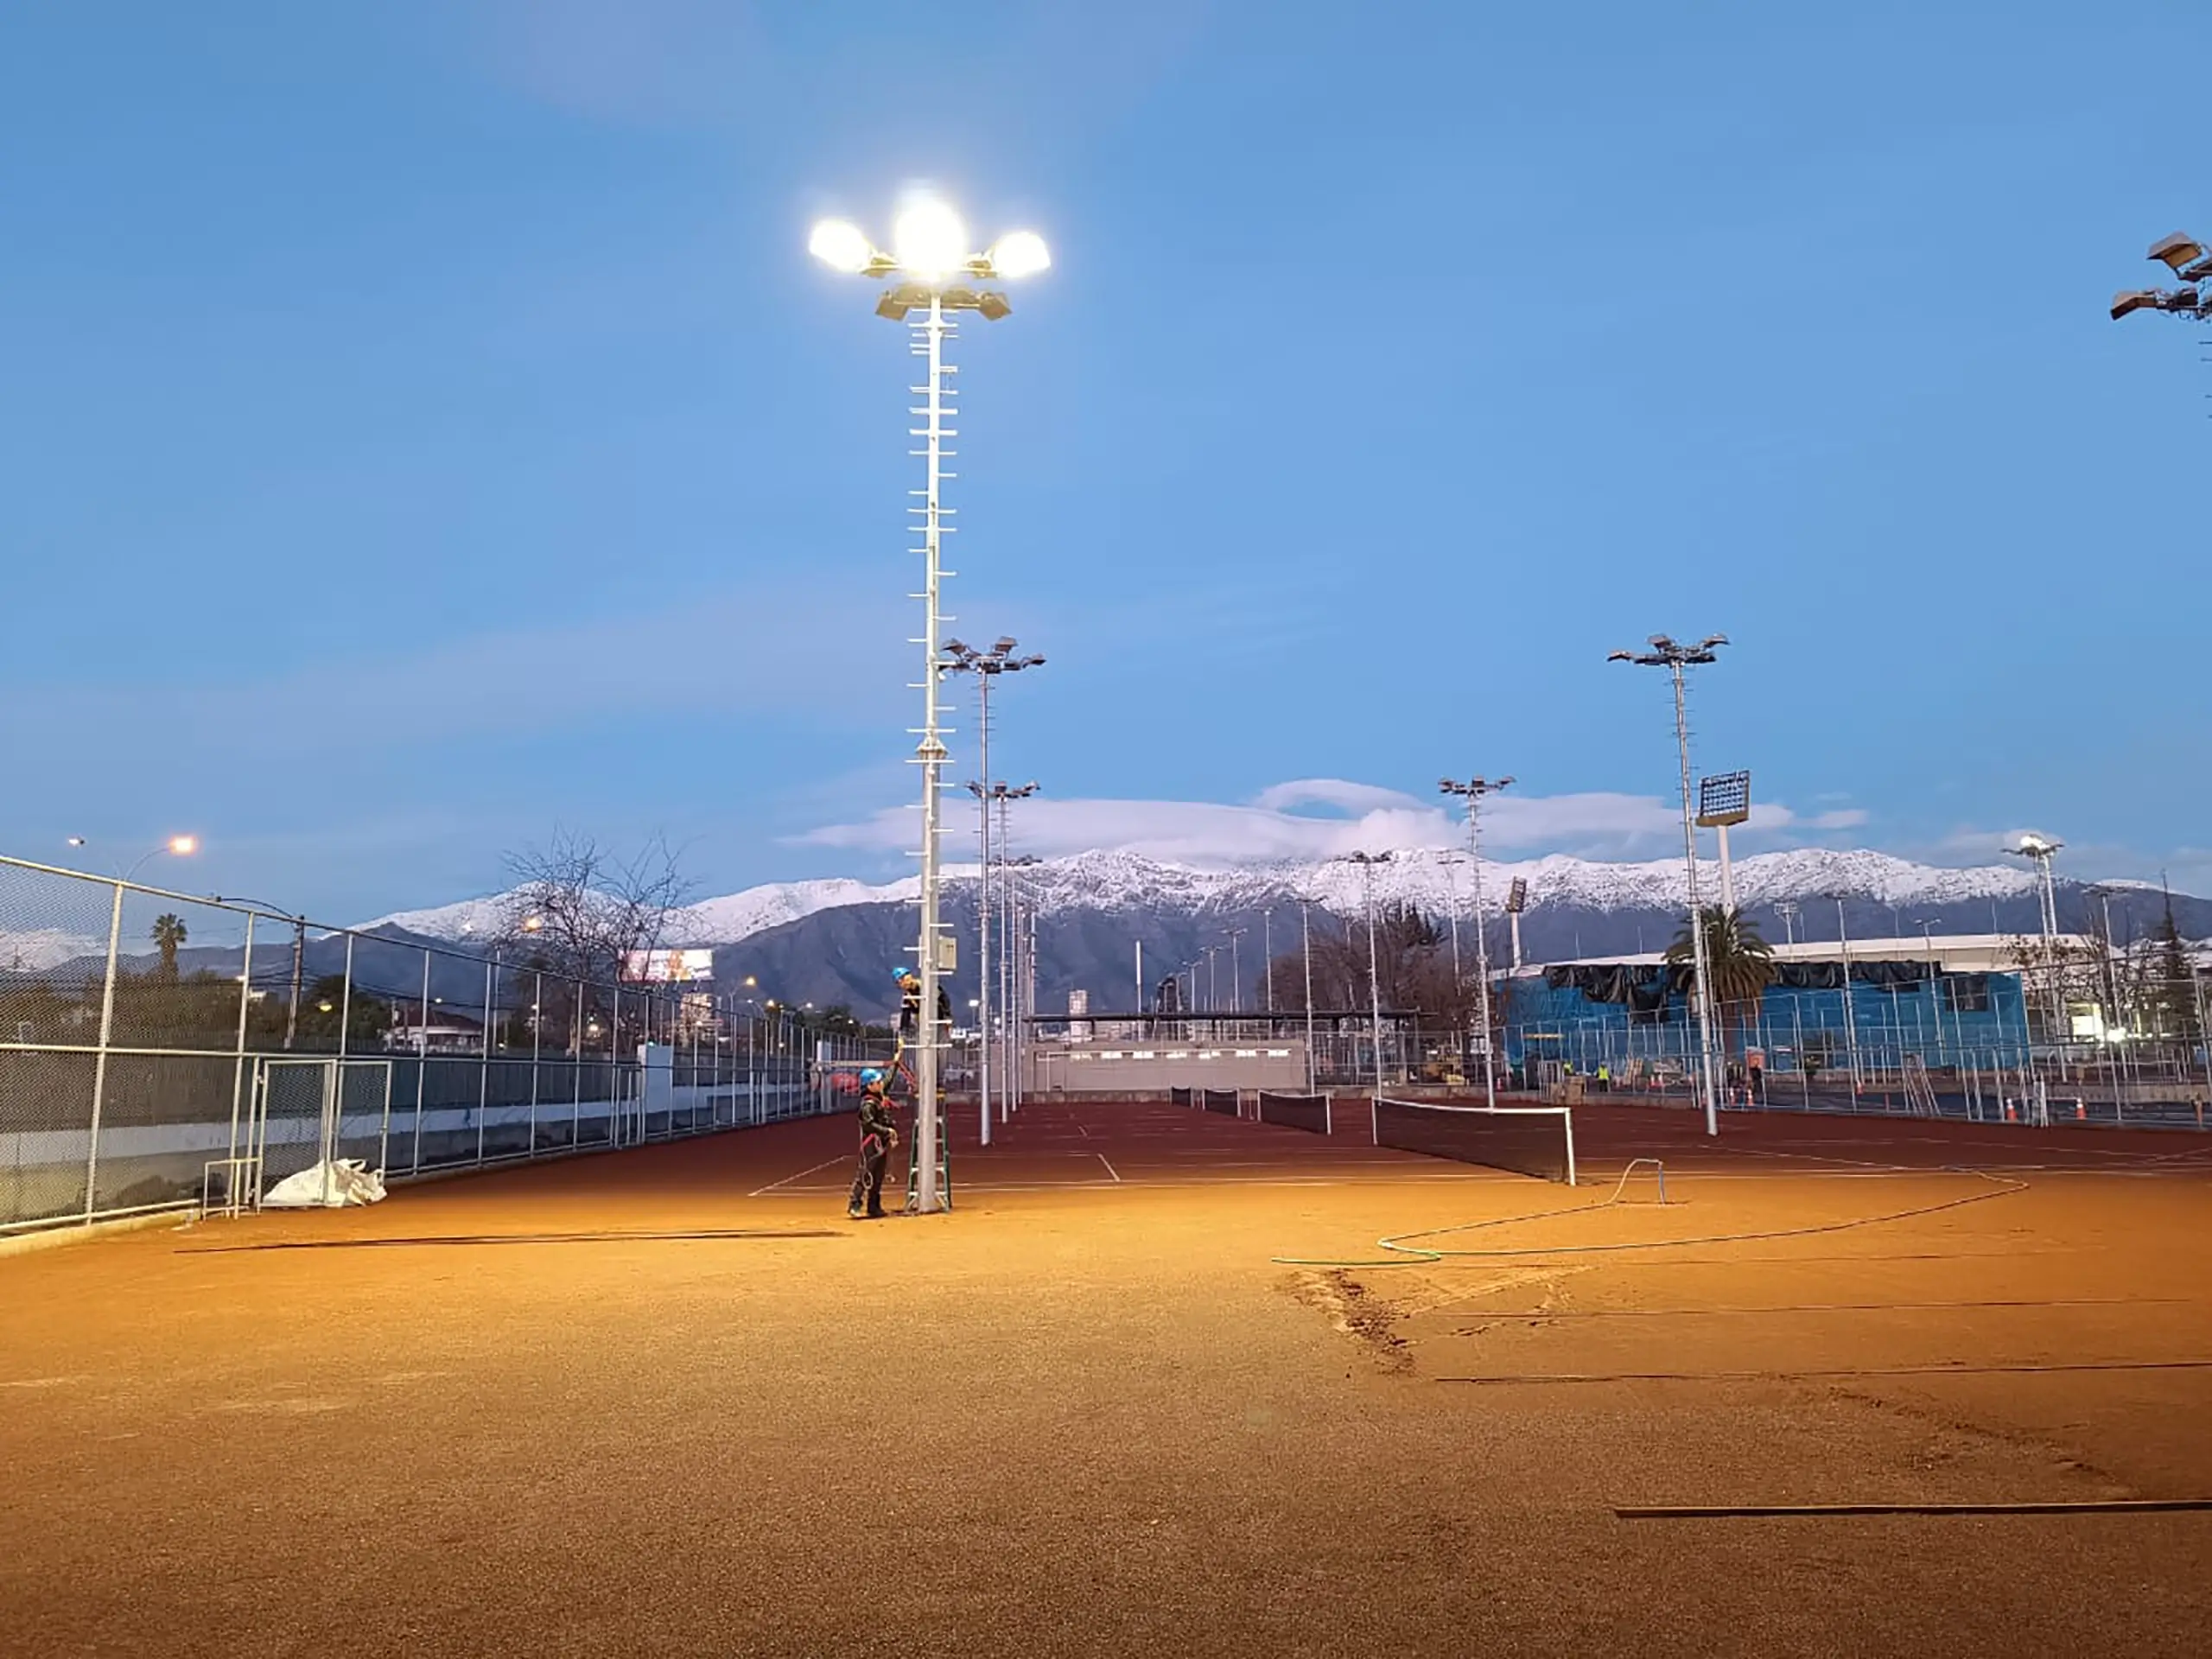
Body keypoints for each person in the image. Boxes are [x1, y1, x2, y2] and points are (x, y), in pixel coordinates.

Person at [849, 1069, 899, 1220]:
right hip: (871, 1144)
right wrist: (887, 1131)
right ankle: (855, 1205)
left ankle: (874, 1206)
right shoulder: (868, 1104)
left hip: (881, 1142)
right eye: (877, 1082)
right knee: (866, 1174)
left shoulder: (879, 1096)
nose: (881, 1083)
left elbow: (888, 1081)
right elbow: (868, 1125)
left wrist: (895, 1064)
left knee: (878, 1175)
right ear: (869, 1085)